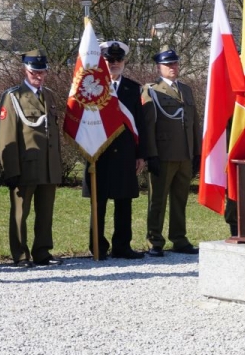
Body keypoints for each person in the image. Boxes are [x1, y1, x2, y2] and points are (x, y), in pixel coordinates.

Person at [0, 50, 63, 267]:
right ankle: (21, 255)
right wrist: (11, 170)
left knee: (45, 213)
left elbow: (52, 133)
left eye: (42, 72)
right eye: (35, 72)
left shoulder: (49, 95)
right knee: (20, 213)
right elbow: (6, 135)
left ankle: (42, 252)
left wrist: (56, 165)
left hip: (47, 166)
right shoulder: (13, 97)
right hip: (25, 166)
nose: (39, 76)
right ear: (25, 70)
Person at [82, 41, 147, 260]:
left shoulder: (133, 88)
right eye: (110, 59)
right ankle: (97, 246)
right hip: (99, 153)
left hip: (125, 153)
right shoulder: (91, 86)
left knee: (124, 202)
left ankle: (122, 246)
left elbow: (140, 123)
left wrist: (141, 154)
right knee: (98, 202)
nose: (115, 63)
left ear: (124, 62)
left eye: (119, 59)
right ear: (103, 61)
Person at [141, 46, 202, 257]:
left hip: (185, 154)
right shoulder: (151, 90)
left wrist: (197, 152)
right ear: (159, 67)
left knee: (180, 199)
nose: (172, 67)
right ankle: (155, 240)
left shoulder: (186, 90)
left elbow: (194, 123)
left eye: (174, 63)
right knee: (157, 200)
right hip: (164, 154)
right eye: (168, 64)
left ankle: (179, 238)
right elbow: (149, 125)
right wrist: (151, 154)